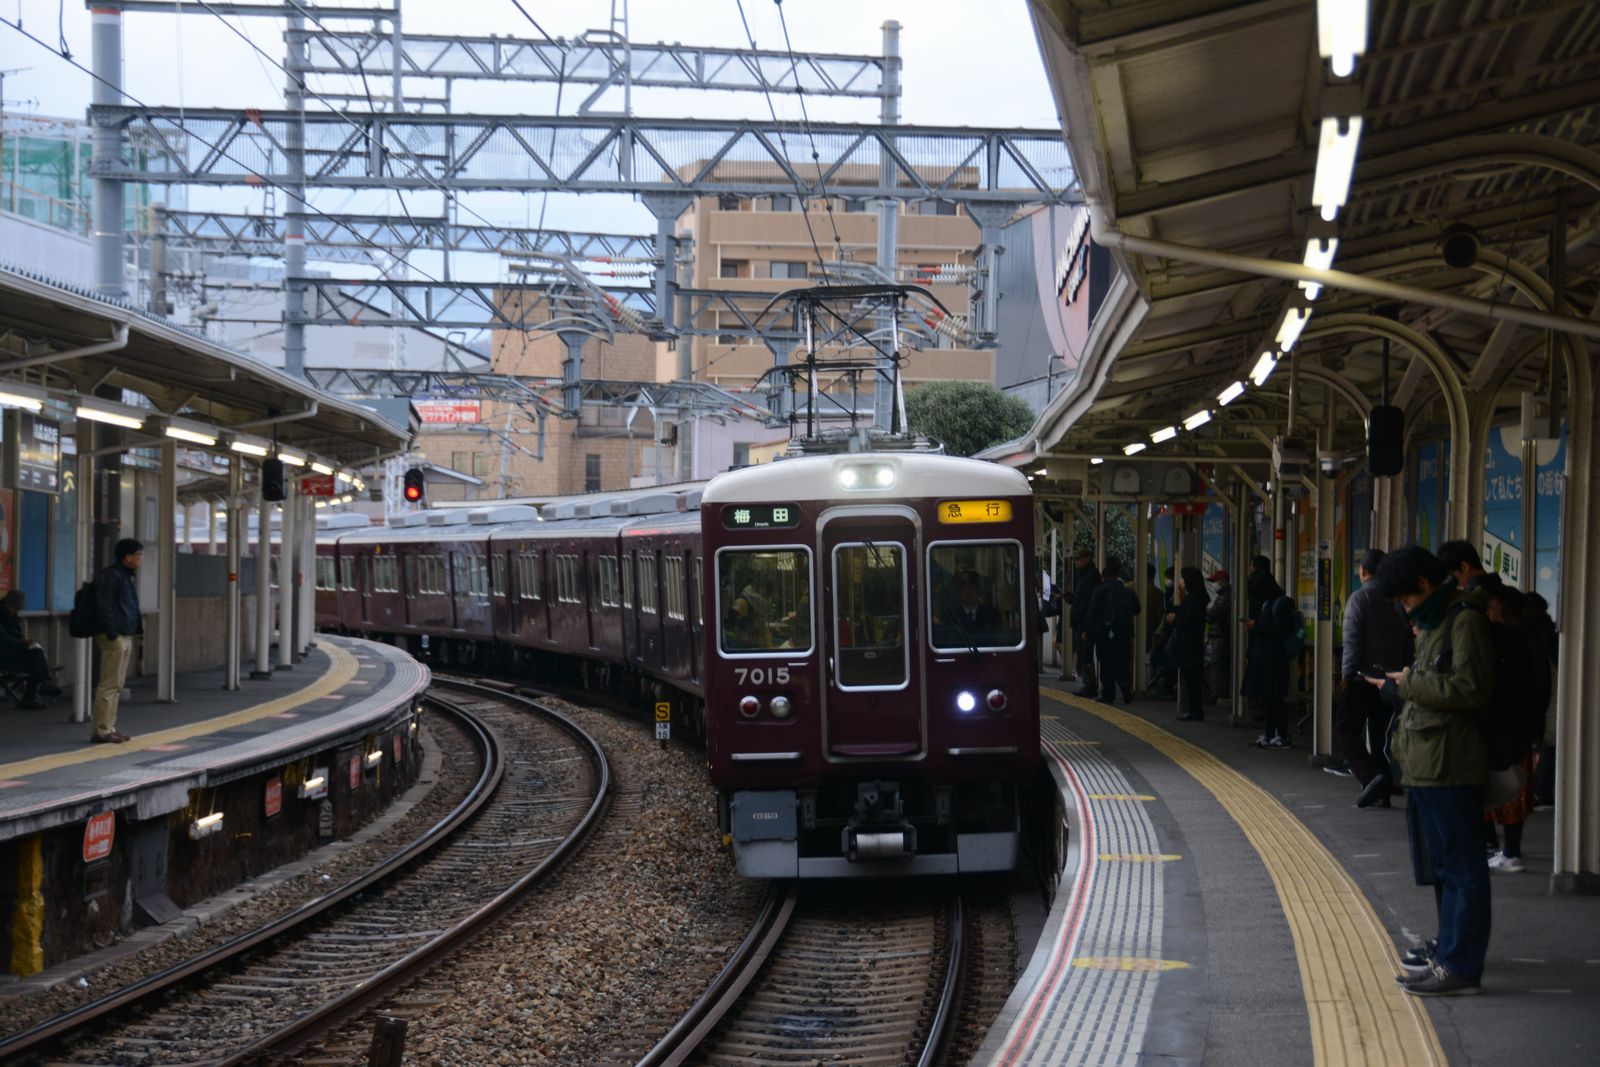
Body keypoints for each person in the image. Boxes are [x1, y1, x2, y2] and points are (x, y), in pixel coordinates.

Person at [1375, 545, 1494, 997]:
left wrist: (1410, 683)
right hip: (1427, 762)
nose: (1406, 609)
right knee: (1444, 868)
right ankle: (1448, 954)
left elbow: (1472, 689)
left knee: (1463, 868)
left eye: (1406, 599)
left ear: (1423, 587)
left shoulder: (1463, 621)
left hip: (1452, 764)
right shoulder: (1436, 621)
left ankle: (1462, 966)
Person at [1338, 549, 1415, 808]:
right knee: (1381, 735)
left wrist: (1347, 674)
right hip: (1392, 678)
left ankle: (1374, 777)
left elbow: (1352, 640)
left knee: (1347, 729)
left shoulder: (1359, 599)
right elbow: (1408, 641)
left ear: (1363, 570)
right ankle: (1382, 789)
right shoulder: (1396, 602)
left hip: (1363, 678)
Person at [91, 538, 144, 744]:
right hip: (114, 635)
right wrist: (112, 632)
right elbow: (105, 605)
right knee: (109, 684)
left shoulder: (125, 576)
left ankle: (109, 727)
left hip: (124, 634)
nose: (140, 559)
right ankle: (102, 730)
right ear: (128, 557)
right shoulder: (112, 575)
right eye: (138, 555)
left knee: (117, 685)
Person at [1241, 569, 1296, 748]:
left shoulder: (1279, 604)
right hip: (1266, 658)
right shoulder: (1268, 603)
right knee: (1269, 699)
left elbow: (1281, 630)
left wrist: (1256, 626)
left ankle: (1281, 735)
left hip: (1274, 658)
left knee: (1275, 699)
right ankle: (1270, 734)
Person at [1085, 558, 1138, 704]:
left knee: (1106, 662)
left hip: (1105, 632)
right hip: (1123, 632)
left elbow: (1092, 612)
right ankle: (1126, 690)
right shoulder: (1128, 591)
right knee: (1122, 660)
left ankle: (1108, 694)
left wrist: (1086, 630)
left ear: (1104, 577)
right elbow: (1137, 609)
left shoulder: (1099, 590)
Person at [0, 590, 61, 709]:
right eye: (16, 608)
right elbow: (3, 639)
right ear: (8, 604)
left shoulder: (11, 615)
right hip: (3, 652)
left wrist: (23, 639)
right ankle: (35, 693)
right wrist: (22, 645)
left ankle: (42, 685)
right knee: (35, 663)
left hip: (12, 649)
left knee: (37, 653)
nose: (17, 611)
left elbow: (15, 633)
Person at [1167, 567, 1209, 721]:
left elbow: (1188, 621)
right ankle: (1194, 710)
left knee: (1192, 678)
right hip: (1192, 643)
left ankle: (1195, 711)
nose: (1181, 581)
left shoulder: (1195, 599)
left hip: (1189, 644)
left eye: (1183, 579)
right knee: (1191, 678)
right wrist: (1179, 594)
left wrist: (1174, 620)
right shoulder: (1197, 597)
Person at [1069, 551, 1100, 693]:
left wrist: (1085, 625)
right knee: (1084, 652)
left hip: (1085, 621)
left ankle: (1090, 685)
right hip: (1082, 620)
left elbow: (1088, 602)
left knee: (1086, 652)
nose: (1076, 562)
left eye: (1079, 558)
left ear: (1087, 558)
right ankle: (1088, 683)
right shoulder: (1084, 575)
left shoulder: (1090, 576)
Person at [1203, 569, 1233, 702]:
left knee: (1217, 665)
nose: (1214, 584)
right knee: (1216, 665)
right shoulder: (1223, 595)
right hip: (1219, 634)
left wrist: (1207, 613)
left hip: (1221, 635)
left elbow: (1216, 613)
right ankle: (1216, 691)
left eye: (1215, 581)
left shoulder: (1226, 596)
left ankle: (1217, 693)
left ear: (1223, 581)